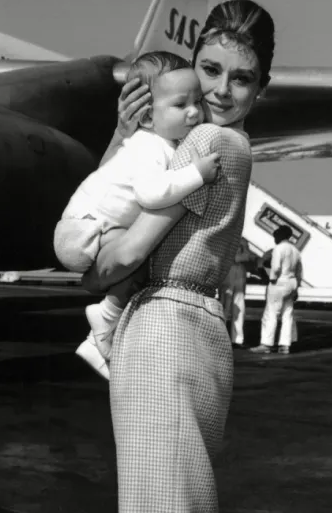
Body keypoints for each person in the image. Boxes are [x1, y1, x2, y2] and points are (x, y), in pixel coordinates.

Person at [83, 0, 275, 513]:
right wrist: (124, 133)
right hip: (190, 335)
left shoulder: (206, 146)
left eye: (241, 79)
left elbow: (114, 256)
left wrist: (88, 252)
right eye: (210, 70)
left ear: (261, 89)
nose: (220, 91)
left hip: (164, 332)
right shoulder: (223, 144)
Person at [53, 51, 220, 378]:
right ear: (146, 117)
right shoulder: (151, 147)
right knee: (142, 264)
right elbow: (152, 194)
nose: (195, 112)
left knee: (140, 268)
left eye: (198, 102)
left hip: (90, 226)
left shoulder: (159, 143)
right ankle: (105, 318)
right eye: (180, 105)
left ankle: (98, 339)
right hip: (87, 230)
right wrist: (198, 174)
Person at [251, 225, 302, 355]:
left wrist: (272, 279)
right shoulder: (295, 250)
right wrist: (297, 288)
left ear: (279, 237)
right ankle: (285, 345)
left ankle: (266, 344)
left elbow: (276, 267)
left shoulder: (278, 249)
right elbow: (299, 271)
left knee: (271, 314)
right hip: (292, 282)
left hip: (279, 282)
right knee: (287, 314)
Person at [220, 236, 251, 348]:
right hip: (229, 272)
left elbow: (246, 257)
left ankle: (237, 339)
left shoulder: (241, 240)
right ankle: (221, 337)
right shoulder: (227, 238)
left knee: (238, 306)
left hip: (237, 272)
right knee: (225, 307)